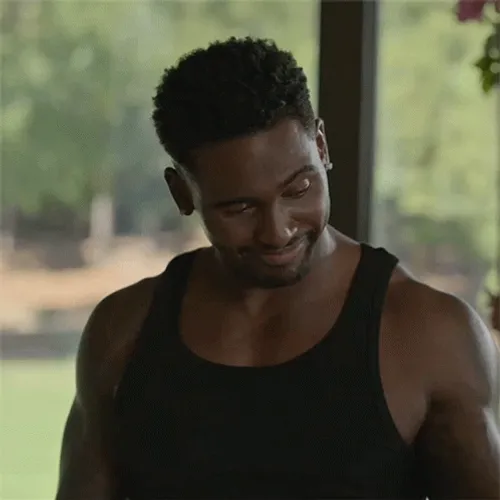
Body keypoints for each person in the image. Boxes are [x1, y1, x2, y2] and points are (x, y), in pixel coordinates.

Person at [55, 37, 500, 500]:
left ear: (321, 146)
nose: (277, 231)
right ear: (182, 192)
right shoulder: (123, 331)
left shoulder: (430, 334)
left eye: (298, 189)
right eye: (240, 207)